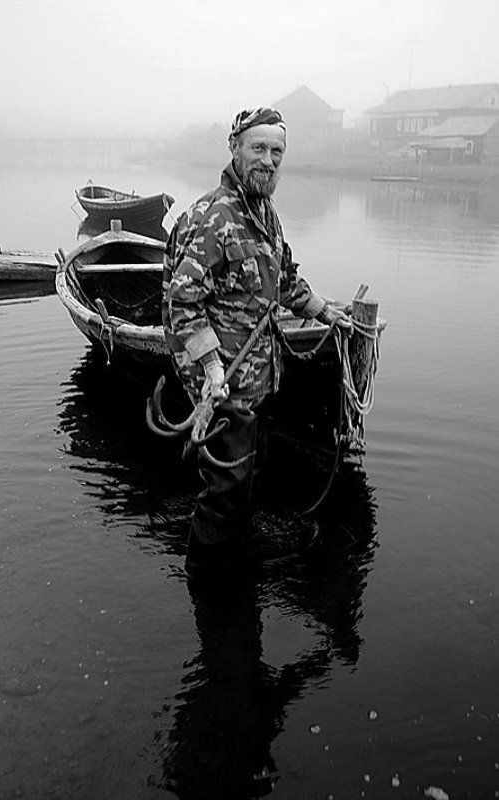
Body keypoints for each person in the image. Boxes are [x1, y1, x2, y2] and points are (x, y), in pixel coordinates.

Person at [162, 106, 351, 579]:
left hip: (257, 377)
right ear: (235, 149)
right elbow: (181, 302)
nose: (268, 160)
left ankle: (235, 556)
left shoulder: (264, 212)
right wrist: (209, 368)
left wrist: (327, 313)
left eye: (277, 152)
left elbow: (284, 280)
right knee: (226, 488)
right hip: (223, 382)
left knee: (248, 474)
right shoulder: (214, 216)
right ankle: (206, 579)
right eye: (259, 148)